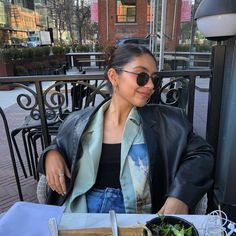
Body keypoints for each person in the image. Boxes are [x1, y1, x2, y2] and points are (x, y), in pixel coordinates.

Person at [38, 44, 214, 214]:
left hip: (138, 217)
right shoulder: (79, 121)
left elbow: (202, 154)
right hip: (81, 214)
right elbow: (61, 145)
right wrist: (51, 154)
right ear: (114, 76)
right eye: (142, 76)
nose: (151, 86)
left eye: (154, 78)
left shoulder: (168, 121)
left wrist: (180, 196)